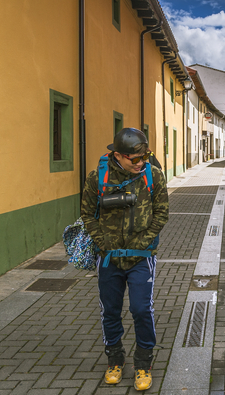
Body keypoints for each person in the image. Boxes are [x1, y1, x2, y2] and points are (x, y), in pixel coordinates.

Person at [80, 128, 169, 390]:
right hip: (109, 259)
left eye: (144, 157)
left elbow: (162, 213)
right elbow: (87, 214)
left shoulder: (153, 175)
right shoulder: (98, 177)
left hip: (141, 258)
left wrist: (143, 243)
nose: (141, 163)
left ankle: (143, 363)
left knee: (141, 309)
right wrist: (103, 243)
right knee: (110, 311)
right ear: (118, 155)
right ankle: (115, 359)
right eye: (135, 159)